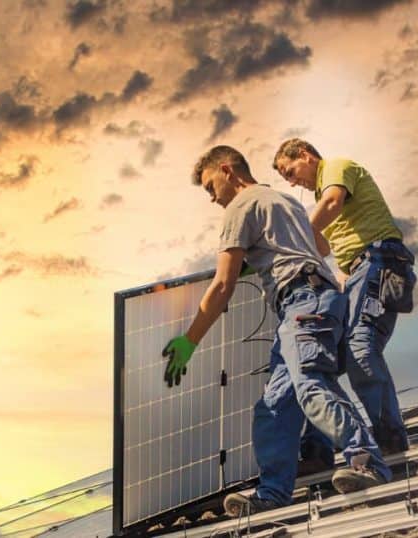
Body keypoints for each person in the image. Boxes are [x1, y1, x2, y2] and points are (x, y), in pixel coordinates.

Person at [160, 145, 391, 517]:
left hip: (303, 302)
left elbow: (223, 286)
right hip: (311, 301)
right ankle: (273, 492)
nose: (212, 198)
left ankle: (368, 463)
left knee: (312, 385)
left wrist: (190, 340)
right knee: (274, 405)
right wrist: (274, 251)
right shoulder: (283, 199)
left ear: (227, 170)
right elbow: (321, 245)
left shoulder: (240, 205)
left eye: (210, 187)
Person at [272, 139, 417, 458]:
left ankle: (390, 439)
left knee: (361, 349)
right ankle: (318, 447)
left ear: (306, 156)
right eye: (286, 179)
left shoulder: (336, 168)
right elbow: (323, 249)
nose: (293, 181)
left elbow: (333, 203)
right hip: (357, 273)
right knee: (326, 358)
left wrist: (295, 233)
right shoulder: (318, 198)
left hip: (379, 259)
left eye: (291, 171)